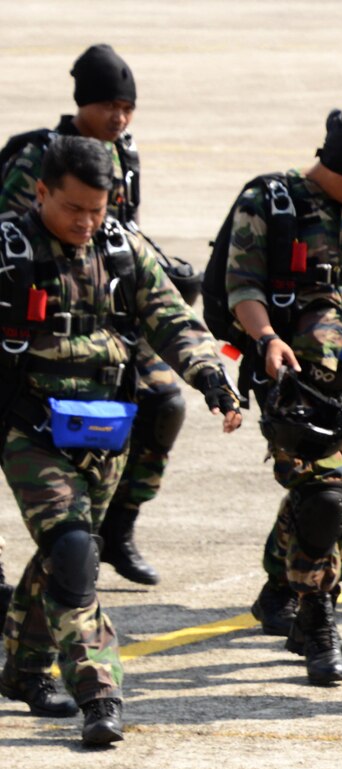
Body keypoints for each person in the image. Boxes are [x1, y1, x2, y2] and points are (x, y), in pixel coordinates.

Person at [0, 136, 242, 743]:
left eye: (97, 210)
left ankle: (23, 669)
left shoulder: (121, 248)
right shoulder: (10, 253)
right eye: (72, 209)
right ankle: (98, 693)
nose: (85, 223)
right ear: (41, 191)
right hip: (29, 429)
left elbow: (172, 320)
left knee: (62, 553)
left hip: (107, 430)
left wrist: (212, 379)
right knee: (77, 552)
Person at [0, 43, 198, 588]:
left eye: (127, 106)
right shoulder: (37, 158)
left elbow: (118, 236)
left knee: (164, 401)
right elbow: (20, 238)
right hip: (32, 324)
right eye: (109, 104)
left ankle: (118, 527)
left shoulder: (123, 156)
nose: (119, 116)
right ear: (81, 104)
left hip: (108, 318)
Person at [219, 109, 342, 685]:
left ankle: (296, 600)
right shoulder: (270, 201)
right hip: (297, 382)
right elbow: (242, 283)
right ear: (334, 167)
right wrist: (265, 340)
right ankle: (317, 623)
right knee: (321, 500)